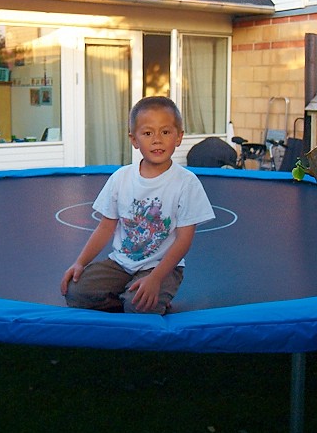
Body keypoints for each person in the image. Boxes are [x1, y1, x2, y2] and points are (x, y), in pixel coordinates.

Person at [60, 96, 215, 315]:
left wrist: (155, 278)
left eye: (165, 132)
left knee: (138, 306)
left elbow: (184, 240)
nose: (157, 140)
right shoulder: (121, 178)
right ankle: (132, 297)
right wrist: (79, 262)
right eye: (148, 133)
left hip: (162, 267)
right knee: (76, 292)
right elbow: (105, 228)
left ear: (179, 137)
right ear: (134, 140)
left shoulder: (186, 183)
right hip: (121, 264)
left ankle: (147, 295)